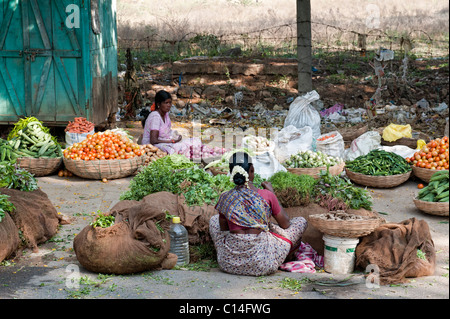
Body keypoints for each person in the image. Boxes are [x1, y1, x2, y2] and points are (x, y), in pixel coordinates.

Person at [209, 152, 308, 276]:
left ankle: (228, 252)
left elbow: (224, 230)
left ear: (231, 172)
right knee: (300, 222)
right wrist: (272, 194)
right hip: (262, 264)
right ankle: (288, 256)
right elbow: (286, 224)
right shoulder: (267, 195)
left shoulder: (225, 197)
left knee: (214, 220)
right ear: (252, 170)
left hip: (229, 263)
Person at [141, 90, 196, 154]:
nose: (169, 105)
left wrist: (175, 137)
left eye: (170, 103)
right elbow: (153, 140)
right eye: (166, 103)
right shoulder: (155, 117)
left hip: (165, 142)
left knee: (195, 141)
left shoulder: (166, 114)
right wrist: (172, 141)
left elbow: (167, 132)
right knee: (176, 149)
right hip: (153, 146)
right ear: (158, 104)